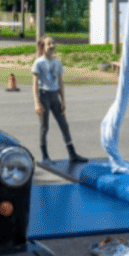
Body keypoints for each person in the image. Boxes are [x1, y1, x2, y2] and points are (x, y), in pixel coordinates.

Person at [32, 36, 87, 164]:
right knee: (44, 126)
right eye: (48, 44)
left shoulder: (58, 63)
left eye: (53, 43)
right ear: (42, 47)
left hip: (55, 96)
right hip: (43, 95)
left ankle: (72, 154)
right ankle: (45, 156)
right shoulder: (38, 63)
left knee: (64, 124)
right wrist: (36, 102)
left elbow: (61, 82)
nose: (52, 46)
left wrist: (63, 100)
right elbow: (34, 85)